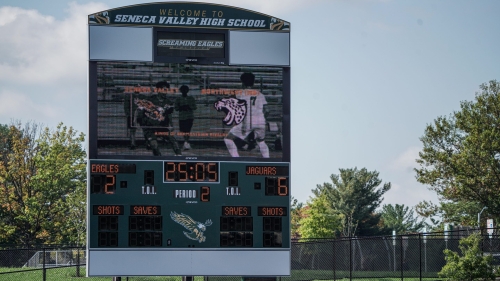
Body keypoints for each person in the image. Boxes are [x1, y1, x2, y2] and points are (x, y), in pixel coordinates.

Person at [224, 72, 269, 158]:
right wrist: (263, 120)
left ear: (243, 82)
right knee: (261, 141)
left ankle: (236, 158)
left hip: (247, 121)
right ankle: (267, 159)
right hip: (261, 121)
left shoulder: (240, 93)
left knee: (228, 139)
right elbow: (267, 111)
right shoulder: (260, 94)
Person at [135, 81, 182, 156]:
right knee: (154, 145)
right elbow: (139, 111)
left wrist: (171, 125)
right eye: (163, 90)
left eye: (166, 90)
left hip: (162, 126)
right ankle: (159, 158)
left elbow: (169, 115)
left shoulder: (168, 102)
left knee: (173, 140)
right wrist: (140, 123)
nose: (165, 92)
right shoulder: (149, 100)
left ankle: (179, 156)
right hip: (150, 127)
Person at [175, 85, 197, 150]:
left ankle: (186, 143)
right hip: (182, 117)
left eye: (185, 90)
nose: (184, 91)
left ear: (187, 91)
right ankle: (186, 142)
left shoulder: (191, 98)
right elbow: (176, 108)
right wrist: (181, 107)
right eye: (183, 90)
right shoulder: (178, 99)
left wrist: (189, 107)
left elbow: (195, 107)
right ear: (181, 91)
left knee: (188, 130)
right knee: (183, 130)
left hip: (189, 116)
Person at [123, 85, 140, 149]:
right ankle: (132, 143)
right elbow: (126, 106)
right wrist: (128, 115)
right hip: (132, 115)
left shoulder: (141, 97)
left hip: (139, 115)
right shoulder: (130, 96)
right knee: (132, 130)